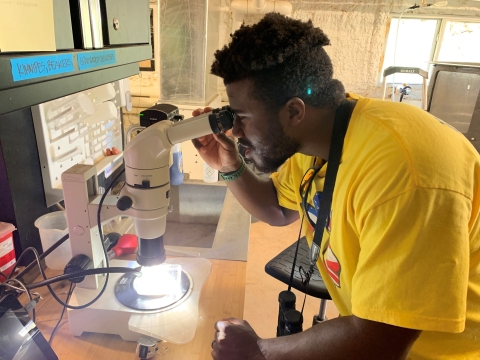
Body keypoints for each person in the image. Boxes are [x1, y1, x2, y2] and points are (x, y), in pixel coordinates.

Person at [192, 13, 480, 360]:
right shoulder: (317, 137)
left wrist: (260, 352)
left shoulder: (405, 173)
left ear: (294, 111)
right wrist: (229, 166)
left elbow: (381, 341)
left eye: (243, 117)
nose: (235, 131)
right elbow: (277, 209)